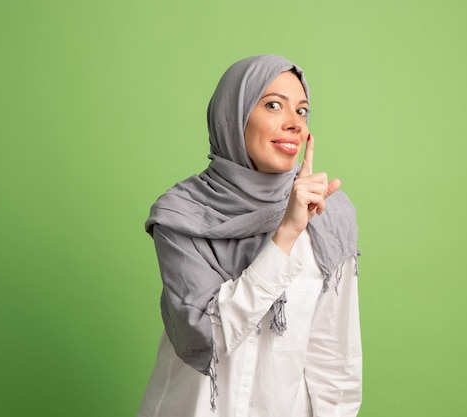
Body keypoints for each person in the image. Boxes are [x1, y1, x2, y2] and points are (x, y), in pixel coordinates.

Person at [137, 54, 362, 417]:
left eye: (302, 111)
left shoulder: (327, 214)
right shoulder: (181, 215)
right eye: (274, 105)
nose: (294, 124)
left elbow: (335, 357)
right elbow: (207, 334)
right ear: (234, 115)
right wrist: (286, 234)